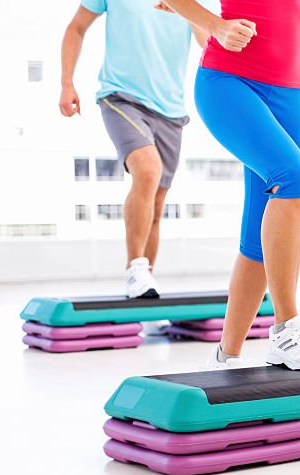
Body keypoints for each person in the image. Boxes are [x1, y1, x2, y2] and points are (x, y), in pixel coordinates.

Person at [157, 0, 300, 371]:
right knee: (292, 176)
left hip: (288, 94)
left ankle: (225, 356)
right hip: (228, 82)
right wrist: (215, 26)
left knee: (258, 233)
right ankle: (286, 329)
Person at [60, 0, 211, 312]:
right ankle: (135, 267)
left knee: (156, 202)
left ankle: (145, 285)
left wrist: (190, 10)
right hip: (120, 97)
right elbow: (76, 27)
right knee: (148, 170)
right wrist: (66, 83)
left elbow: (207, 41)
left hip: (170, 108)